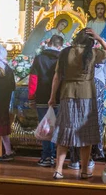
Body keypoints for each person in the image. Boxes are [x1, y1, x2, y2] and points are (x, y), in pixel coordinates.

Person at [48, 28, 106, 180]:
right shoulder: (92, 53)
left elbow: (57, 77)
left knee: (64, 132)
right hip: (87, 95)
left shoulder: (65, 53)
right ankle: (84, 170)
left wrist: (52, 97)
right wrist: (99, 38)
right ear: (90, 40)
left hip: (67, 93)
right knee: (86, 133)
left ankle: (58, 170)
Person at [29, 34, 64, 167]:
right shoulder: (62, 58)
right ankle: (57, 156)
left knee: (45, 127)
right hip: (60, 98)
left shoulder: (39, 58)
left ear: (49, 43)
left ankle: (46, 156)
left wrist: (32, 97)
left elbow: (33, 79)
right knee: (58, 127)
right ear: (60, 46)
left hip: (42, 97)